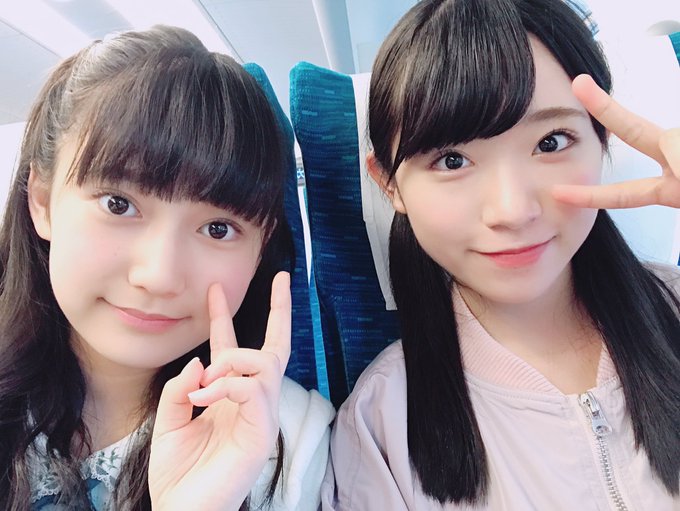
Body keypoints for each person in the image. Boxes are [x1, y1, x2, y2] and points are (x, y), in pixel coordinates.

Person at [322, 0, 680, 509]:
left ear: (601, 140)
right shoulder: (381, 423)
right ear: (390, 185)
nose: (512, 211)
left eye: (551, 142)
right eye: (452, 160)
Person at [0, 25, 334, 510]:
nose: (158, 275)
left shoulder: (288, 446)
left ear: (261, 251)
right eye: (118, 205)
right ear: (43, 201)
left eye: (217, 229)